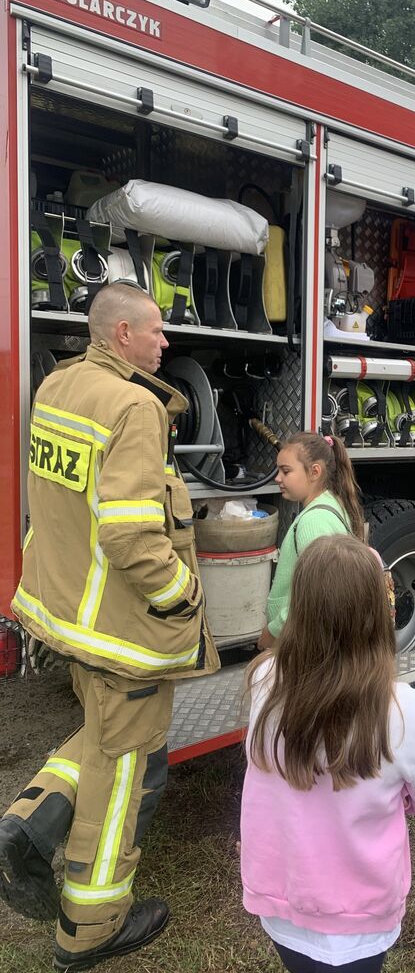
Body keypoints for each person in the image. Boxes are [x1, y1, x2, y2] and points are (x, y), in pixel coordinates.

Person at [0, 284, 219, 971]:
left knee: (99, 732)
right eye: (157, 332)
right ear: (122, 332)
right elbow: (131, 536)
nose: (166, 344)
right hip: (123, 633)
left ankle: (27, 821)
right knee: (125, 769)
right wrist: (179, 595)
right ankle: (91, 930)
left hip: (66, 616)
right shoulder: (134, 405)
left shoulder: (59, 385)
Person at [241, 535, 415, 973]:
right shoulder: (411, 711)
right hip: (363, 914)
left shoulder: (262, 681)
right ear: (379, 612)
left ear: (300, 607)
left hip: (282, 899)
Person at [259, 431, 365, 651]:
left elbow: (314, 595)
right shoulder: (333, 506)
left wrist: (273, 632)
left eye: (286, 471)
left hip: (300, 638)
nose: (277, 478)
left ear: (315, 472)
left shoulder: (313, 522)